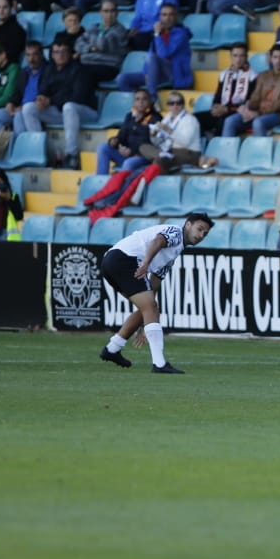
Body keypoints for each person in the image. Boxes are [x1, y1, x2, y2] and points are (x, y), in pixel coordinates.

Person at [98, 213, 213, 374]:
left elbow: (154, 285)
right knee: (150, 307)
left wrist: (146, 321)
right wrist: (145, 263)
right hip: (125, 260)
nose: (201, 235)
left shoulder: (174, 253)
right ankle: (159, 364)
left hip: (111, 262)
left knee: (148, 306)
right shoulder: (175, 232)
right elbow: (158, 240)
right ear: (188, 224)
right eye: (199, 229)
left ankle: (112, 349)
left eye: (205, 234)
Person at [20, 39, 96, 169]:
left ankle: (71, 154)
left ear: (70, 53)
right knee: (29, 108)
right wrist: (41, 99)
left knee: (69, 107)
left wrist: (51, 100)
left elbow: (78, 97)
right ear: (52, 54)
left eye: (63, 51)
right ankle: (39, 153)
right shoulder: (49, 69)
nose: (60, 55)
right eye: (56, 52)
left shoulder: (80, 70)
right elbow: (43, 89)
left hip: (85, 112)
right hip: (61, 113)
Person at [221, 44, 280, 137]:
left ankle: (259, 150)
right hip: (258, 112)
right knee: (230, 121)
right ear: (270, 58)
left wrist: (259, 112)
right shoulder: (264, 75)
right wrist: (247, 109)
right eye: (275, 57)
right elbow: (255, 97)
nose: (278, 61)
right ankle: (228, 150)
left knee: (258, 122)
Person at [117, 3, 192, 100]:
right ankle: (138, 105)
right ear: (160, 17)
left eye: (171, 15)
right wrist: (147, 73)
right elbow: (151, 55)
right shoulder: (160, 33)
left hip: (174, 73)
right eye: (164, 15)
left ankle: (152, 99)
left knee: (152, 57)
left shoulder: (181, 34)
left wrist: (157, 34)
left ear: (175, 16)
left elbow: (163, 53)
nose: (167, 18)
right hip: (155, 73)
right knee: (122, 79)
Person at [96, 89, 156, 175]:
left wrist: (131, 151)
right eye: (137, 99)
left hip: (143, 157)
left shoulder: (155, 118)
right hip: (127, 154)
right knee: (102, 147)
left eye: (144, 99)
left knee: (128, 163)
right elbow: (121, 136)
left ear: (149, 101)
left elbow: (148, 141)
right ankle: (100, 181)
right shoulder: (129, 116)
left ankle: (121, 187)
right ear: (133, 102)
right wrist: (114, 141)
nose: (141, 102)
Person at [142, 92, 201, 172]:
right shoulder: (167, 118)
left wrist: (169, 130)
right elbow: (158, 142)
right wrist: (153, 135)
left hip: (188, 153)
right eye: (171, 103)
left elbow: (185, 142)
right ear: (168, 106)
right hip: (169, 150)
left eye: (178, 103)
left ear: (183, 105)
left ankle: (154, 175)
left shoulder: (190, 119)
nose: (175, 106)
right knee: (143, 147)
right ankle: (160, 155)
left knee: (160, 161)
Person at [75, 0, 128, 83]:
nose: (109, 14)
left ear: (117, 13)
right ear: (100, 13)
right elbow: (78, 43)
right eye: (106, 11)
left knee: (83, 74)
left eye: (112, 11)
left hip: (108, 65)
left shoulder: (120, 30)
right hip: (88, 62)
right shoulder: (94, 27)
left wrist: (90, 40)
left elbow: (103, 45)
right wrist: (90, 48)